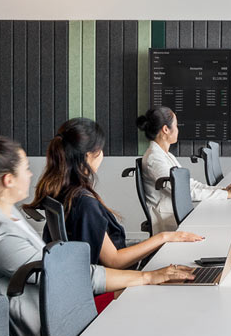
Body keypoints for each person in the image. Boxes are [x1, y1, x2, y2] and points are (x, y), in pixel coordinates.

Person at [0, 123, 195, 336]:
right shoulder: (0, 233)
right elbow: (66, 277)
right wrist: (147, 276)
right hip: (56, 320)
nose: (31, 173)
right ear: (8, 180)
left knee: (151, 291)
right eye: (25, 168)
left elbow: (63, 272)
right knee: (154, 300)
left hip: (58, 302)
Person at [31, 117, 205, 310]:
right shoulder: (84, 203)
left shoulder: (63, 192)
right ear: (90, 155)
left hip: (80, 293)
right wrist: (164, 237)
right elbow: (114, 261)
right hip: (98, 297)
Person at [136, 106, 231, 233]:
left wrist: (221, 189)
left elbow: (189, 185)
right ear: (166, 129)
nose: (178, 130)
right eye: (176, 126)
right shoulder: (154, 159)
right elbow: (184, 193)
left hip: (176, 213)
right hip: (170, 220)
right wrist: (226, 195)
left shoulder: (166, 155)